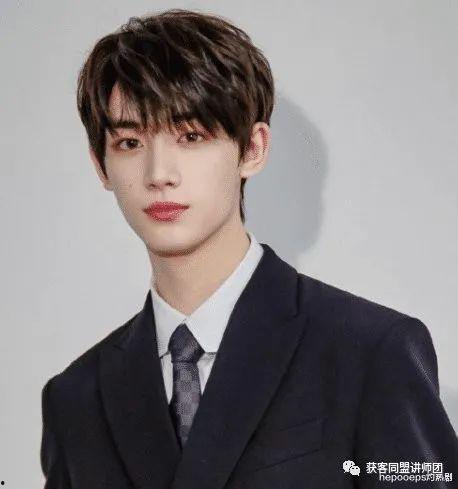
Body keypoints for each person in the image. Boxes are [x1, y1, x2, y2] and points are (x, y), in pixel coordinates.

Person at [40, 8, 457, 488]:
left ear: (253, 149)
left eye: (190, 136)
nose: (159, 174)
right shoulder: (77, 399)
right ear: (101, 164)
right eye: (130, 143)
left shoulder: (369, 353)